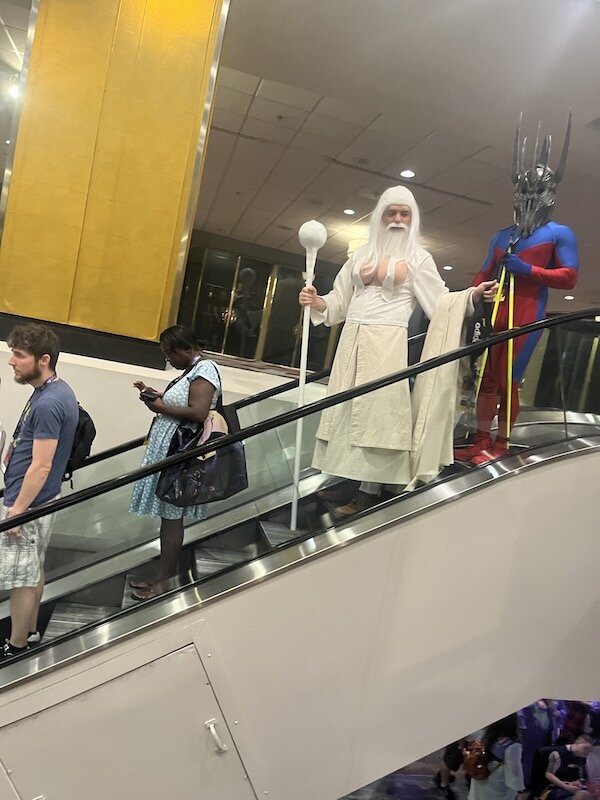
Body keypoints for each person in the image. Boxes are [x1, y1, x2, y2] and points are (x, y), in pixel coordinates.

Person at [299, 184, 495, 515]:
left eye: (404, 214)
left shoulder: (418, 258)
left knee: (379, 417)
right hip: (351, 342)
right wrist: (317, 301)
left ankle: (370, 490)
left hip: (387, 345)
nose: (397, 219)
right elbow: (340, 300)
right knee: (346, 412)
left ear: (412, 218)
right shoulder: (360, 255)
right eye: (391, 213)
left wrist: (473, 294)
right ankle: (347, 479)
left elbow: (440, 301)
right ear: (380, 216)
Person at [458, 115, 579, 465]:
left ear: (550, 193)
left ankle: (502, 443)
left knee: (508, 380)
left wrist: (528, 270)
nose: (529, 197)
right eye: (524, 190)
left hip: (526, 316)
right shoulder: (502, 235)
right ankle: (481, 440)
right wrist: (476, 293)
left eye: (538, 190)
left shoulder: (559, 233)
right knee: (485, 380)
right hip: (496, 314)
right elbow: (483, 272)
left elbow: (569, 277)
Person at [1, 323, 78, 658]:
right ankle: (29, 633)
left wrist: (17, 511)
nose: (12, 361)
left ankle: (16, 645)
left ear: (43, 359)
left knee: (21, 578)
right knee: (33, 569)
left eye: (19, 355)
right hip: (40, 500)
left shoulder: (48, 403)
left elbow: (42, 466)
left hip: (29, 504)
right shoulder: (56, 391)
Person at [129, 325, 221, 600]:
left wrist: (161, 407)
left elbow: (199, 412)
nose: (168, 358)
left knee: (171, 517)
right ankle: (162, 575)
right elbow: (184, 403)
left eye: (170, 353)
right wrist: (155, 395)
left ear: (186, 348)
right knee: (168, 517)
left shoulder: (205, 369)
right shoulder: (191, 370)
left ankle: (165, 580)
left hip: (180, 455)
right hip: (170, 452)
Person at [468, 714, 528, 800]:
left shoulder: (485, 736)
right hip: (497, 787)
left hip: (480, 779)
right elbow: (514, 770)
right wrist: (520, 790)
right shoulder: (512, 745)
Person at [540, 735, 593, 800]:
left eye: (589, 751)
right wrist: (566, 786)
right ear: (578, 742)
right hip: (555, 788)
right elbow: (548, 774)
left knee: (586, 795)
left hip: (571, 788)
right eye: (585, 748)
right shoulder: (558, 753)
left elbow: (581, 776)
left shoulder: (581, 759)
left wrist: (577, 782)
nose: (586, 752)